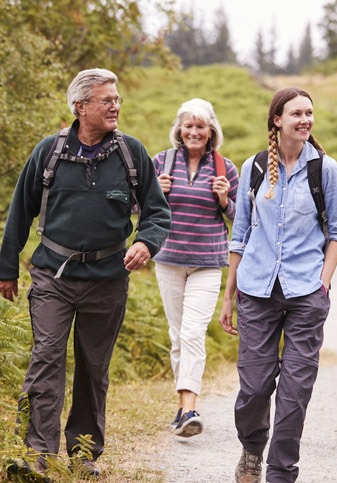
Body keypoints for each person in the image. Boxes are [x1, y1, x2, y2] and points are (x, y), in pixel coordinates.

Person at [0, 68, 171, 480]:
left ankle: (83, 454)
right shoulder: (49, 152)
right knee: (46, 357)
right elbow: (19, 212)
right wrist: (6, 269)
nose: (114, 106)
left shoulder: (132, 153)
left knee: (94, 367)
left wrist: (146, 242)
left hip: (109, 278)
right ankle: (37, 452)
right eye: (105, 100)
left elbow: (157, 211)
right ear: (80, 107)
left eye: (117, 100)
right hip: (52, 277)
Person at [219, 87, 337, 483]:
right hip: (256, 292)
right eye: (297, 113)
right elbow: (239, 233)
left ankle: (280, 472)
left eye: (310, 113)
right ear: (277, 120)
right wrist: (229, 295)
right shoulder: (255, 168)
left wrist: (323, 285)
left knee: (295, 390)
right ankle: (253, 448)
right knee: (255, 388)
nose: (305, 120)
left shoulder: (323, 168)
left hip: (307, 292)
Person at [152, 98, 238, 437]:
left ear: (211, 131)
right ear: (179, 129)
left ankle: (189, 410)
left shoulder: (224, 167)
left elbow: (240, 218)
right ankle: (182, 408)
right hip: (169, 260)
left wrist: (224, 199)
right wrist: (154, 193)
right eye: (188, 125)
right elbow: (134, 207)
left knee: (191, 332)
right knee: (177, 336)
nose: (194, 131)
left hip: (207, 263)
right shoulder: (162, 161)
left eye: (200, 126)